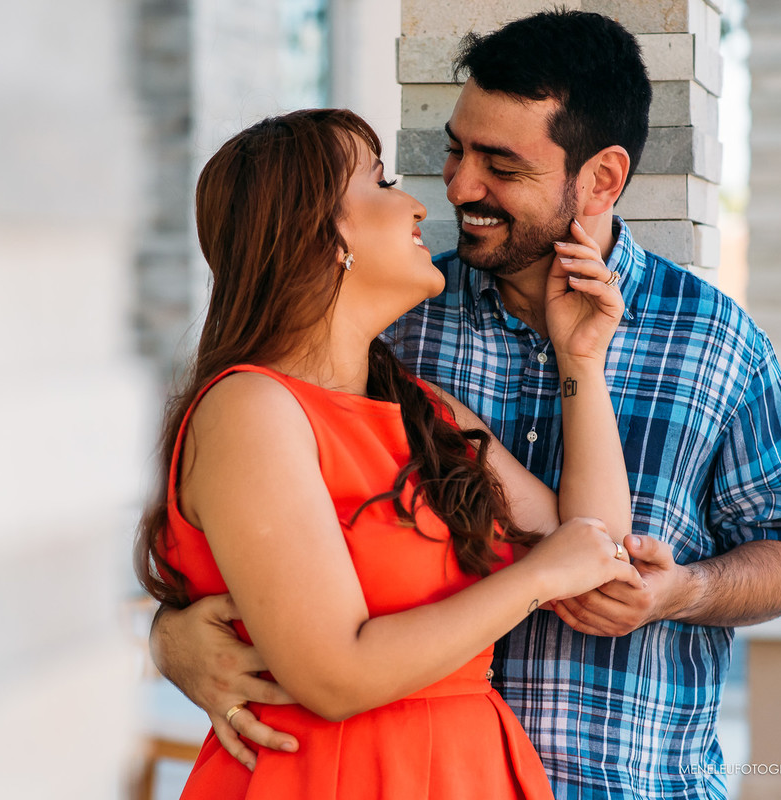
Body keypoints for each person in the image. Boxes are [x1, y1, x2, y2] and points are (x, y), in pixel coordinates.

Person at [149, 10, 781, 800]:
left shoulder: (718, 341)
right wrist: (172, 639)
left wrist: (685, 590)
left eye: (500, 164)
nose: (453, 187)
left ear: (602, 179)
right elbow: (248, 562)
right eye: (454, 150)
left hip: (613, 782)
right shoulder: (388, 332)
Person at [136, 106, 645, 798]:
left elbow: (594, 548)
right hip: (332, 777)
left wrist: (580, 356)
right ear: (318, 235)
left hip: (472, 770)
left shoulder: (425, 411)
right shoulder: (250, 411)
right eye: (379, 183)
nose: (413, 205)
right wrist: (532, 581)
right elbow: (335, 676)